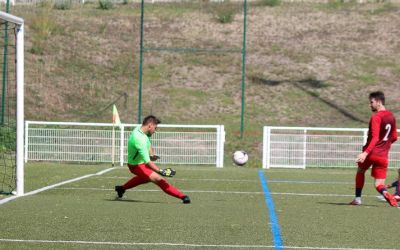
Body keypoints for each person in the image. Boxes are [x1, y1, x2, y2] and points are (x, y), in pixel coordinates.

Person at [115, 115, 191, 204]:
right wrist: (161, 171)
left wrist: (151, 154)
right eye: (155, 128)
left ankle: (121, 188)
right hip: (136, 166)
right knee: (159, 179)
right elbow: (148, 162)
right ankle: (183, 197)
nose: (155, 131)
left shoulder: (141, 130)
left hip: (141, 163)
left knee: (145, 178)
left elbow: (148, 142)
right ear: (150, 125)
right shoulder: (139, 139)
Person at [350, 91, 398, 207]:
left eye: (371, 102)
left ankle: (357, 199)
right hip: (383, 156)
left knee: (360, 171)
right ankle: (386, 193)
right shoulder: (391, 116)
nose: (370, 105)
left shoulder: (376, 117)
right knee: (378, 184)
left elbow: (375, 137)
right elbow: (394, 137)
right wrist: (385, 144)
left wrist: (365, 153)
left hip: (371, 153)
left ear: (379, 102)